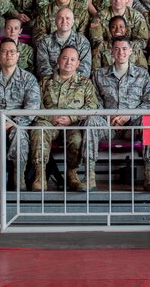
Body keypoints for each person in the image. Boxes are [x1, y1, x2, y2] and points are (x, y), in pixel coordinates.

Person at [30, 46, 101, 191]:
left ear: (78, 63)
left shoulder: (85, 83)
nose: (68, 62)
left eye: (72, 59)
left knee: (77, 140)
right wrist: (50, 117)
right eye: (65, 58)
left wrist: (71, 117)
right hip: (48, 122)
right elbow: (35, 104)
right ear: (58, 60)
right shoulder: (44, 82)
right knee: (38, 130)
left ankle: (71, 174)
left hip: (72, 124)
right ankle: (40, 175)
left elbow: (92, 106)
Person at [0, 38, 42, 184]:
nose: (8, 54)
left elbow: (32, 107)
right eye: (4, 51)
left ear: (18, 55)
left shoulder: (29, 79)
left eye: (12, 51)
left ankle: (19, 176)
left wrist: (12, 123)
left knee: (19, 133)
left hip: (19, 122)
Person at [90, 36, 150, 189]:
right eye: (117, 49)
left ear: (131, 51)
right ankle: (89, 175)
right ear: (111, 52)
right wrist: (108, 115)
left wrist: (129, 115)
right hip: (107, 125)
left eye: (124, 49)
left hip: (132, 126)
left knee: (149, 123)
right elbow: (94, 101)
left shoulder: (142, 74)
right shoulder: (99, 74)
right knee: (90, 122)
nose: (121, 52)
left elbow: (148, 102)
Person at [34, 7, 92, 78]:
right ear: (55, 21)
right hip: (51, 84)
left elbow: (85, 69)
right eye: (60, 18)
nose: (64, 21)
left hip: (77, 85)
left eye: (67, 18)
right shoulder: (45, 42)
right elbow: (42, 67)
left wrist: (71, 83)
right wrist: (57, 82)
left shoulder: (82, 42)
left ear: (73, 21)